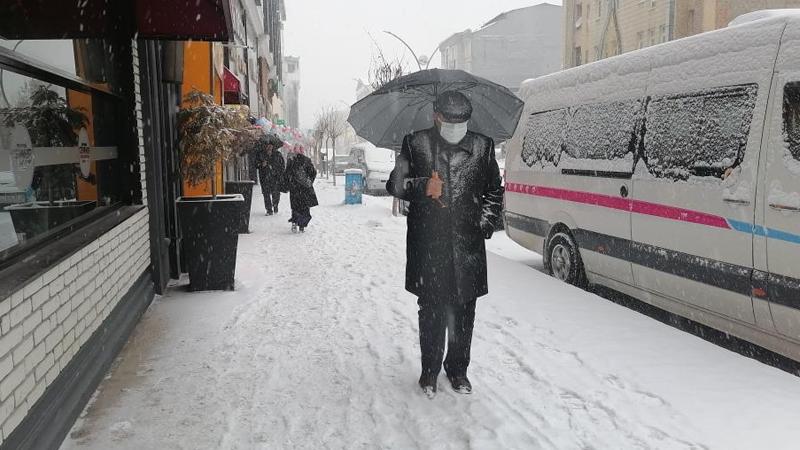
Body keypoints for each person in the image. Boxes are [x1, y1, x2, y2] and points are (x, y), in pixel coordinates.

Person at [386, 90, 503, 399]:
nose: (456, 126)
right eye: (450, 120)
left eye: (462, 121)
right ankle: (429, 372)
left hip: (468, 249)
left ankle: (458, 370)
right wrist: (423, 185)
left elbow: (494, 190)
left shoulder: (482, 146)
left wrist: (485, 222)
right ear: (436, 117)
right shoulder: (416, 144)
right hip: (430, 246)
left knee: (464, 314)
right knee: (432, 314)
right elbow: (394, 184)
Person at [282, 144, 318, 233]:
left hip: (295, 189)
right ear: (303, 151)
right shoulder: (307, 161)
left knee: (295, 207)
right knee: (304, 207)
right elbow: (313, 172)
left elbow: (287, 174)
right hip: (305, 189)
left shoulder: (292, 161)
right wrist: (309, 182)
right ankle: (302, 225)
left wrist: (288, 184)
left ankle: (294, 222)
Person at [254, 134, 285, 215]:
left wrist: (278, 172)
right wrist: (261, 164)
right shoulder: (260, 154)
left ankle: (275, 205)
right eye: (268, 145)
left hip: (275, 177)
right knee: (266, 194)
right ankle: (269, 210)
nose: (269, 147)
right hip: (264, 177)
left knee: (276, 194)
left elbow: (282, 166)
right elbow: (255, 165)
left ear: (273, 146)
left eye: (271, 145)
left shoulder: (278, 155)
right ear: (265, 146)